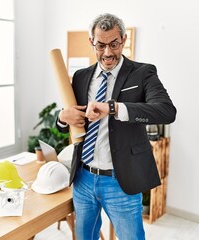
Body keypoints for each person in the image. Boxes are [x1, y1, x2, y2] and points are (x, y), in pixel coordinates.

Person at [56, 13, 176, 240]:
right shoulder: (80, 77)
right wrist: (63, 117)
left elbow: (166, 111)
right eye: (101, 45)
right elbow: (67, 124)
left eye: (114, 44)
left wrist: (113, 108)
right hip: (83, 178)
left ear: (123, 40)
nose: (108, 52)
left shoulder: (143, 73)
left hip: (120, 181)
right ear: (92, 42)